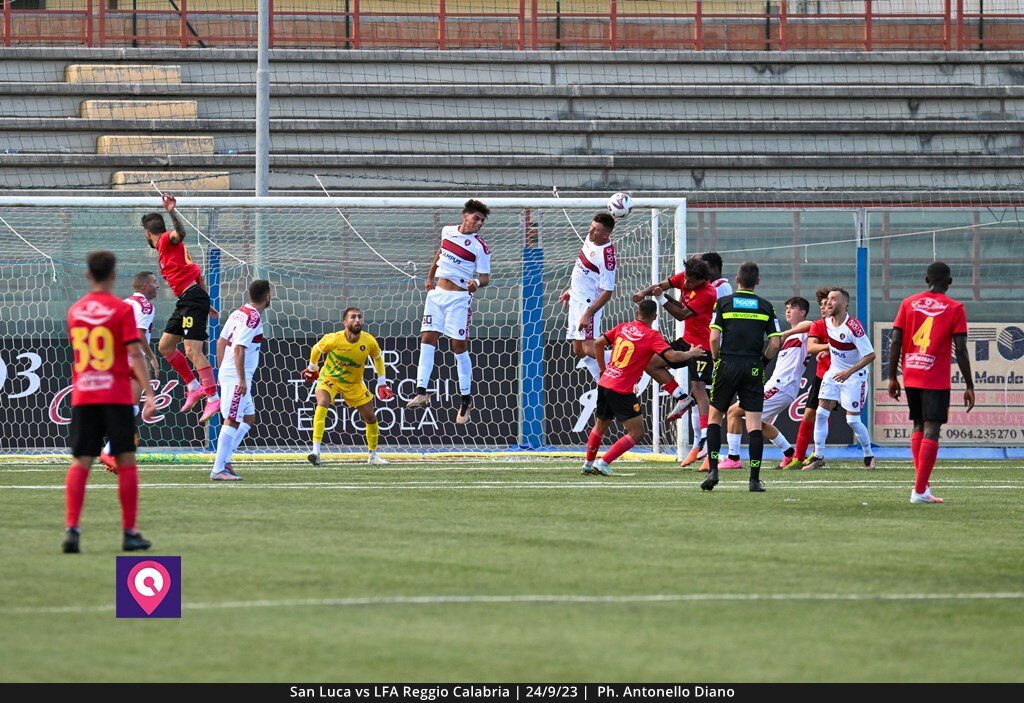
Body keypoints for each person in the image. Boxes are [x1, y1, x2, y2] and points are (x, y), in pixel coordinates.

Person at [63, 251, 157, 554]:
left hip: (84, 395)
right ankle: (129, 533)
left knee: (81, 462)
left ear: (88, 274)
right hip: (115, 395)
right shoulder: (121, 310)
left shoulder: (75, 311)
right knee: (126, 462)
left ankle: (72, 529)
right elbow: (134, 354)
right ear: (114, 275)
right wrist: (149, 393)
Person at [582, 300, 705, 476]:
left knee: (599, 427)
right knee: (637, 432)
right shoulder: (651, 335)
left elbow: (598, 343)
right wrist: (690, 353)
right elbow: (672, 356)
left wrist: (603, 369)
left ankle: (587, 464)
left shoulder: (623, 327)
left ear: (636, 313)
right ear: (654, 317)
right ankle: (603, 463)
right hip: (621, 389)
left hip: (605, 384)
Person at [888, 262, 975, 504]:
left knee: (918, 424)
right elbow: (961, 348)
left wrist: (893, 376)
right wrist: (969, 385)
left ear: (927, 280)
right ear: (950, 282)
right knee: (932, 429)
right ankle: (919, 491)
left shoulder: (908, 303)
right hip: (935, 377)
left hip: (911, 373)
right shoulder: (955, 307)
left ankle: (922, 486)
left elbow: (895, 341)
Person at [406, 199, 491, 425]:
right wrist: (430, 276)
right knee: (427, 338)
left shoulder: (480, 247)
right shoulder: (448, 231)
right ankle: (421, 392)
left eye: (482, 221)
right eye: (476, 218)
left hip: (459, 299)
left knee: (458, 346)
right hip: (437, 295)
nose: (479, 223)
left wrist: (476, 283)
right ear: (465, 216)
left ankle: (466, 399)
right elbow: (440, 253)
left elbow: (485, 278)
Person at [700, 262, 782, 493]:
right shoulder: (766, 306)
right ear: (758, 281)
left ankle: (713, 471)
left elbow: (713, 338)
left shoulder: (723, 303)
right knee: (754, 423)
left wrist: (717, 359)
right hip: (753, 365)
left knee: (715, 417)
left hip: (727, 363)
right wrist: (763, 362)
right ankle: (754, 480)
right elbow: (775, 343)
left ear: (737, 280)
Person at [141, 194, 220, 423]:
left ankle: (213, 397)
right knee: (165, 346)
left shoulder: (167, 240)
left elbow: (180, 233)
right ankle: (194, 387)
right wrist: (206, 302)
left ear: (147, 233)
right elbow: (198, 275)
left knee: (193, 351)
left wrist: (172, 212)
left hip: (192, 300)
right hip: (189, 300)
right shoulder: (171, 252)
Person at [633, 256, 714, 468]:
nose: (685, 283)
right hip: (686, 341)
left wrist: (661, 298)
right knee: (651, 363)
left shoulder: (708, 293)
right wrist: (644, 292)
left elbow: (682, 315)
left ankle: (706, 439)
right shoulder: (684, 277)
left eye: (691, 282)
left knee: (699, 389)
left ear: (702, 280)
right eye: (685, 278)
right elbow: (660, 286)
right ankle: (681, 397)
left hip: (702, 347)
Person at [720, 296, 810, 470]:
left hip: (782, 386)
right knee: (757, 423)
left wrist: (786, 333)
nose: (788, 311)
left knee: (733, 412)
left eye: (792, 308)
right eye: (787, 308)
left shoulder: (803, 332)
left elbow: (812, 325)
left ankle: (733, 458)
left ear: (803, 312)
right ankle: (790, 453)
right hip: (779, 386)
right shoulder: (793, 335)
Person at [303, 307, 394, 466]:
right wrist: (312, 368)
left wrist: (382, 383)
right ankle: (315, 452)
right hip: (330, 379)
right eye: (353, 317)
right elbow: (316, 349)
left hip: (354, 383)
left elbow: (378, 357)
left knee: (371, 418)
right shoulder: (333, 339)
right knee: (322, 402)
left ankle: (373, 456)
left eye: (359, 317)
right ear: (345, 322)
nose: (357, 320)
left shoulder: (369, 341)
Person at [803, 289, 877, 471]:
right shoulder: (827, 322)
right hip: (833, 373)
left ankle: (869, 455)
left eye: (834, 299)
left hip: (854, 377)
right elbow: (836, 344)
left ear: (845, 304)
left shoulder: (853, 326)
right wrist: (827, 352)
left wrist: (848, 372)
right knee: (821, 414)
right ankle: (818, 456)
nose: (829, 302)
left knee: (852, 421)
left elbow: (870, 355)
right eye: (828, 299)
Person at [98, 271, 161, 473]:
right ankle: (108, 452)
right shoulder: (145, 305)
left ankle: (112, 451)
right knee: (131, 408)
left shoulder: (124, 303)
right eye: (154, 282)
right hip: (131, 358)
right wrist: (151, 357)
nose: (158, 285)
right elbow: (139, 333)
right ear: (145, 286)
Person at [210, 279, 272, 482]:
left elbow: (221, 342)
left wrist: (222, 370)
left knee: (248, 417)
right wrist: (240, 379)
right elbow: (238, 348)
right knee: (232, 419)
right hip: (238, 376)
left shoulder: (239, 312)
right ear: (267, 297)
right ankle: (218, 469)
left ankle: (226, 460)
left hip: (232, 373)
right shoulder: (252, 317)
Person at [778, 287, 837, 469]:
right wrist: (826, 348)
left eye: (827, 304)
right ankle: (800, 456)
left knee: (852, 419)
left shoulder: (845, 325)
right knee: (811, 414)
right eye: (822, 304)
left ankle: (867, 454)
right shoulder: (819, 325)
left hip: (843, 376)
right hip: (822, 376)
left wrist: (830, 348)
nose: (823, 307)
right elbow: (812, 346)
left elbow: (849, 345)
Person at [558, 213, 617, 382]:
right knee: (578, 349)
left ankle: (624, 364)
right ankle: (603, 383)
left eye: (596, 229)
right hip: (576, 298)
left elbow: (608, 292)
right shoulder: (591, 238)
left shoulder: (606, 258)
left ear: (606, 234)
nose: (590, 231)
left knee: (589, 348)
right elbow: (583, 269)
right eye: (591, 226)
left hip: (587, 304)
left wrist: (587, 314)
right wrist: (571, 290)